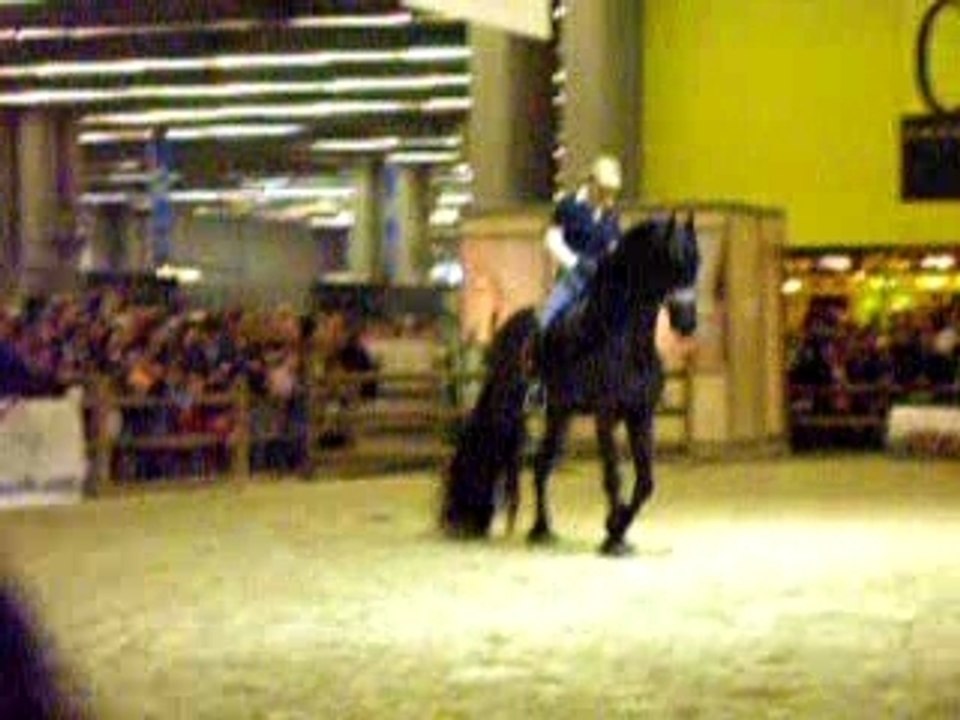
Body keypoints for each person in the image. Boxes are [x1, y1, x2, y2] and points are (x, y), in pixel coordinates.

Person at [524, 155, 623, 407]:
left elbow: (614, 246)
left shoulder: (611, 215)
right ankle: (537, 384)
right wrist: (576, 262)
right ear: (591, 183)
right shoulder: (568, 206)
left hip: (600, 281)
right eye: (603, 190)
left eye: (610, 191)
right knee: (545, 320)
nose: (606, 196)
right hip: (571, 279)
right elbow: (552, 241)